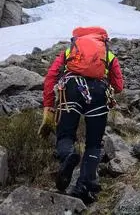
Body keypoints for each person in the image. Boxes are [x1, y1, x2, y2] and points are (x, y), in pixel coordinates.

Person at [40, 26, 124, 204]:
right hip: (99, 92)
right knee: (94, 143)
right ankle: (83, 186)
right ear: (103, 38)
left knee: (65, 134)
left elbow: (50, 77)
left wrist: (48, 106)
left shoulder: (70, 50)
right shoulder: (107, 53)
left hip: (71, 89)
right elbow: (119, 86)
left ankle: (68, 156)